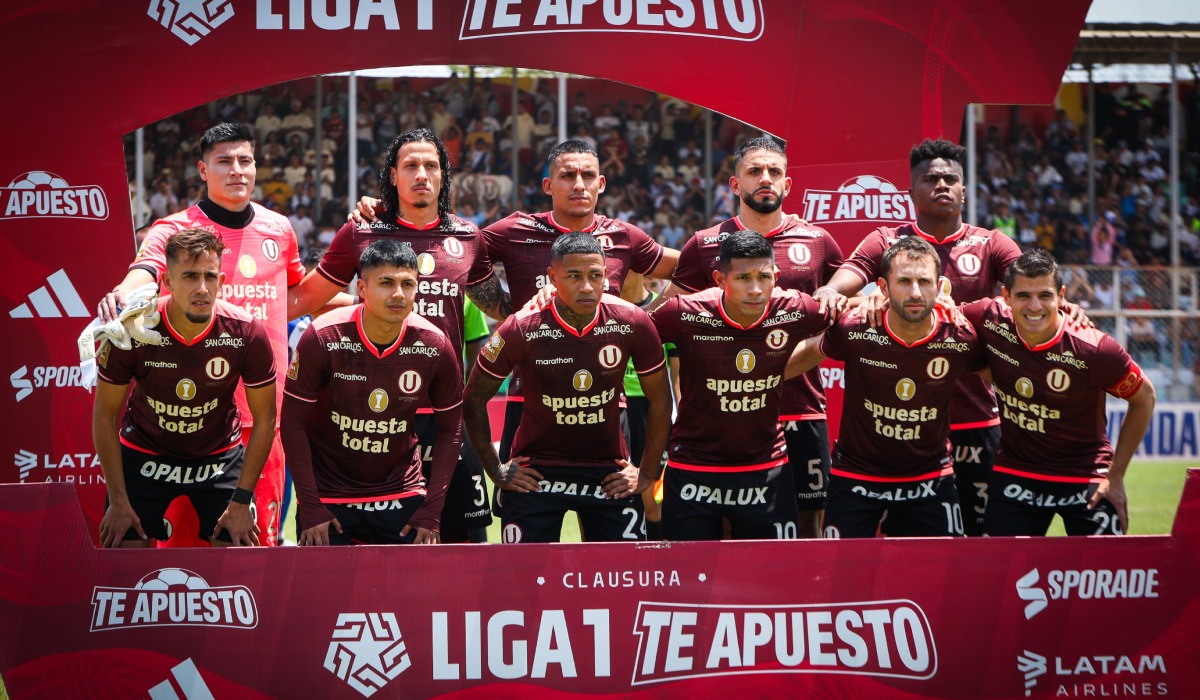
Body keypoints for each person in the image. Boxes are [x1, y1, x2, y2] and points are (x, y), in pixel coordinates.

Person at [97, 122, 307, 548]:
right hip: (186, 430)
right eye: (224, 161)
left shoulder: (280, 229)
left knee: (253, 550)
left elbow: (298, 296)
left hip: (263, 416)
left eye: (245, 160)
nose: (237, 170)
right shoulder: (172, 229)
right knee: (173, 554)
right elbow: (145, 274)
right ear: (202, 169)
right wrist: (123, 293)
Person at [290, 128, 506, 543]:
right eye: (410, 165)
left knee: (467, 539)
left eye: (431, 165)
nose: (421, 173)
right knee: (377, 541)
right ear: (392, 174)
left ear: (444, 176)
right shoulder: (361, 231)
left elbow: (498, 307)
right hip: (378, 417)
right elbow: (308, 301)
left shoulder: (468, 237)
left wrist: (550, 296)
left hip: (443, 415)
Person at [813, 138, 1021, 537]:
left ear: (964, 189)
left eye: (950, 178)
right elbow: (843, 283)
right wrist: (852, 295)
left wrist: (1067, 309)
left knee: (975, 541)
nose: (941, 185)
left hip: (975, 418)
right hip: (908, 431)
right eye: (930, 179)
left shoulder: (992, 242)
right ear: (910, 192)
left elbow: (1031, 291)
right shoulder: (886, 241)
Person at [668, 136, 845, 538]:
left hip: (799, 407)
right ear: (735, 184)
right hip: (725, 413)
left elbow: (844, 311)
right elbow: (677, 332)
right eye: (754, 171)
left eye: (774, 172)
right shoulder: (704, 245)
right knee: (726, 529)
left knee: (807, 527)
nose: (765, 179)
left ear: (788, 185)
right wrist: (686, 402)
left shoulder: (818, 242)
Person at [479, 140, 678, 471]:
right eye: (567, 175)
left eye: (588, 175)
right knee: (528, 512)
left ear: (601, 183)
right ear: (548, 185)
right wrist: (500, 307)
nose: (579, 184)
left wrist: (648, 317)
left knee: (606, 514)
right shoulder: (515, 230)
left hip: (604, 405)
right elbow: (457, 252)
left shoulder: (622, 236)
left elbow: (691, 265)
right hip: (528, 402)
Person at [462, 232, 672, 543]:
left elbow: (661, 399)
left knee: (617, 582)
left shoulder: (633, 322)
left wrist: (646, 472)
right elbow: (473, 398)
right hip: (536, 473)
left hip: (608, 472)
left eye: (595, 275)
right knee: (522, 581)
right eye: (574, 276)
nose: (587, 286)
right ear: (552, 277)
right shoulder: (521, 327)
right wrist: (495, 469)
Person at [791, 236, 986, 539]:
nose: (915, 292)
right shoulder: (856, 327)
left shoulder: (960, 335)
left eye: (924, 281)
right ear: (883, 287)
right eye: (904, 281)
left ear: (940, 286)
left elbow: (1003, 375)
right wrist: (757, 377)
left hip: (929, 478)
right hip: (856, 476)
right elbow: (809, 353)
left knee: (939, 582)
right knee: (841, 580)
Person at [93, 228, 276, 547]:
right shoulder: (133, 331)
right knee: (123, 552)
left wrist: (241, 500)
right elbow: (105, 417)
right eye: (190, 276)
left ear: (222, 281)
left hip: (219, 457)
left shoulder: (246, 332)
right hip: (145, 454)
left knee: (239, 555)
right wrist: (119, 502)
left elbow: (265, 420)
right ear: (166, 281)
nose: (202, 288)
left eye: (210, 276)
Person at [650, 231, 837, 541]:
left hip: (766, 468)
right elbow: (628, 329)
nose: (754, 289)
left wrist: (860, 298)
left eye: (763, 277)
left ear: (776, 276)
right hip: (694, 468)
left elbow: (850, 322)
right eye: (743, 278)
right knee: (689, 581)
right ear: (720, 280)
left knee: (772, 579)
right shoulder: (683, 311)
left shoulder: (796, 308)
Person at [959, 249, 1155, 536]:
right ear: (1006, 296)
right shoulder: (989, 317)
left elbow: (1144, 398)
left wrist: (1116, 474)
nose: (1035, 306)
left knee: (1105, 572)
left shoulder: (1094, 349)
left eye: (1046, 296)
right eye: (1024, 295)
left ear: (1062, 296)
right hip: (1017, 473)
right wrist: (871, 300)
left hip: (1085, 475)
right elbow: (938, 316)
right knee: (996, 573)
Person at [282, 241, 463, 545]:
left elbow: (451, 429)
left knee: (410, 592)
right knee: (321, 592)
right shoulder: (323, 336)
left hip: (401, 490)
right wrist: (310, 505)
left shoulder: (434, 344)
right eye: (386, 283)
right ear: (362, 289)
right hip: (329, 495)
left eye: (408, 284)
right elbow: (292, 423)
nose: (398, 294)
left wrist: (432, 508)